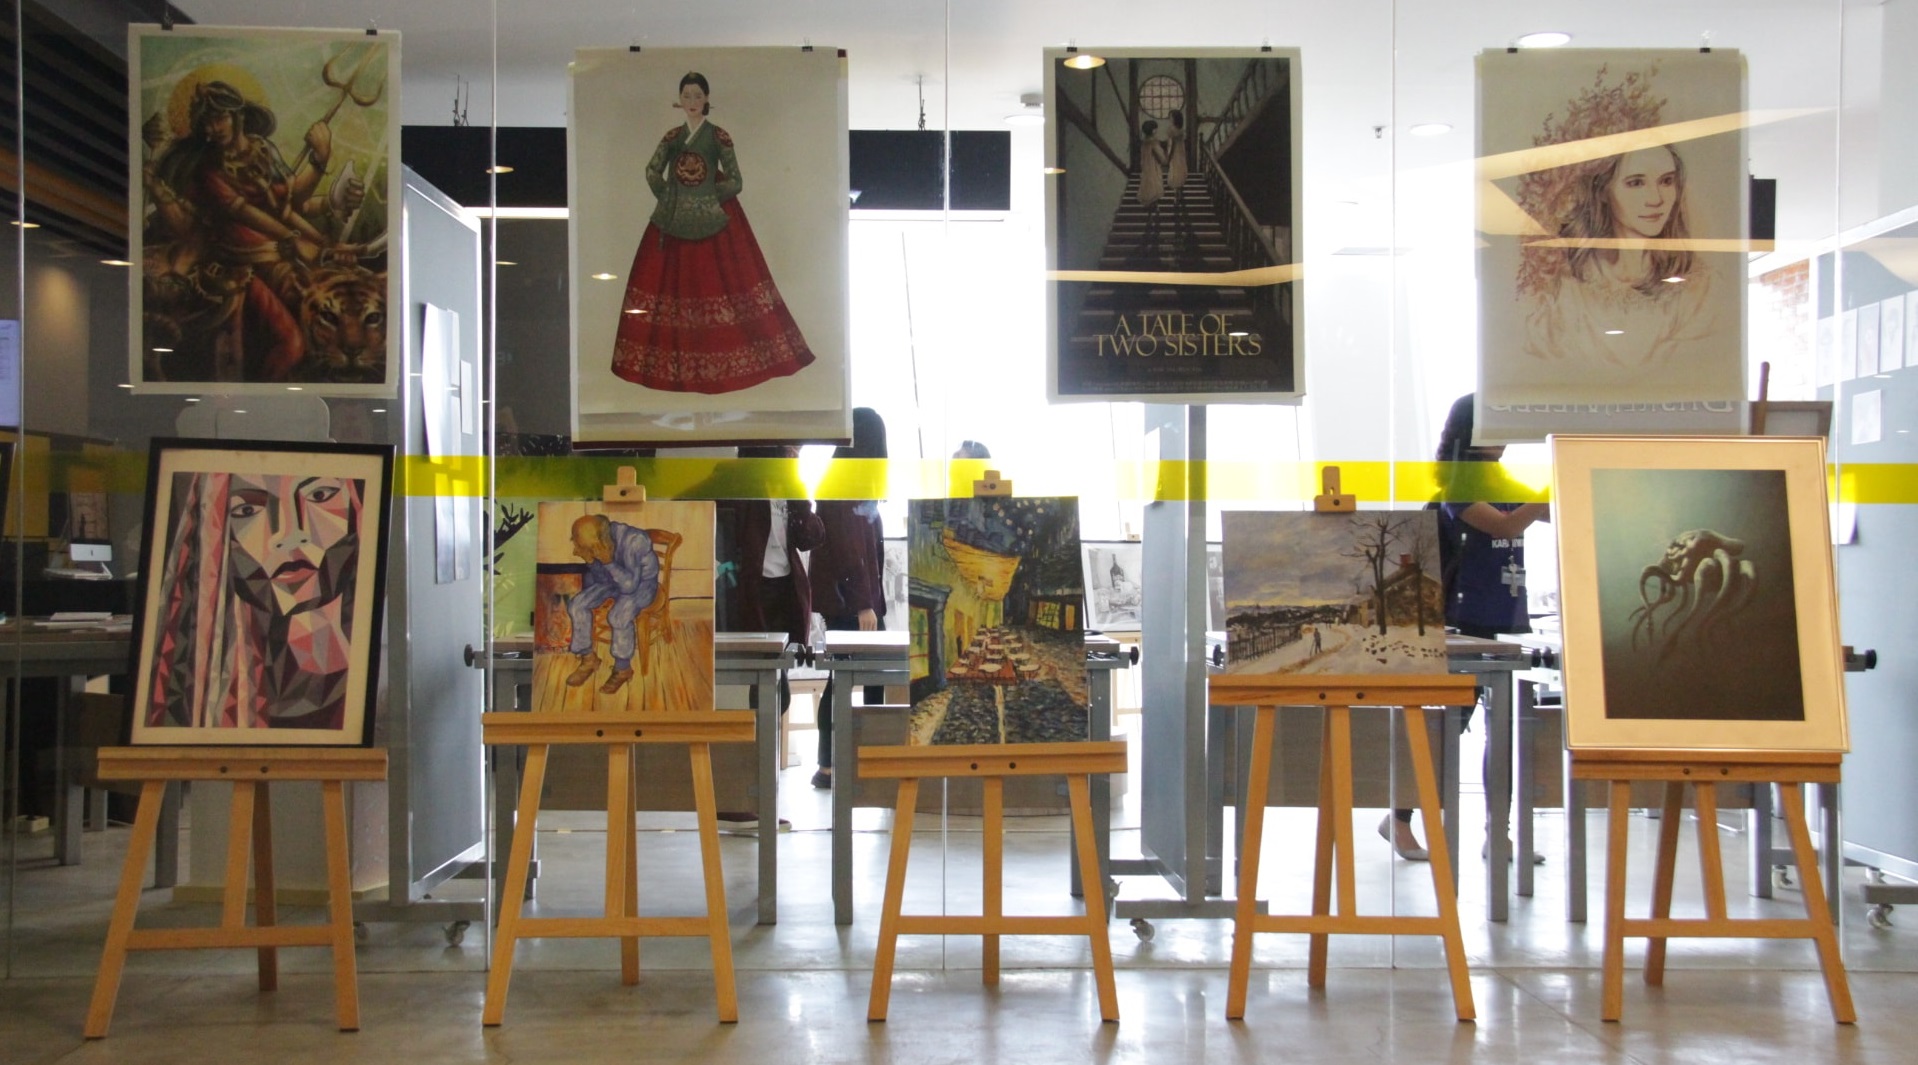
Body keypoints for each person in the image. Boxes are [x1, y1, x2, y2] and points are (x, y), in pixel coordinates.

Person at [1380, 394, 1551, 861]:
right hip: (1457, 625)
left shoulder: (1499, 481)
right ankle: (1399, 816)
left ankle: (1499, 832)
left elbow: (1543, 512)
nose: (1504, 439)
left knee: (1503, 732)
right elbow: (1504, 526)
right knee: (1446, 730)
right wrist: (1543, 494)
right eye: (1495, 427)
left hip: (1498, 622)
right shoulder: (1456, 485)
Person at [144, 77, 366, 382]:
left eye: (219, 117)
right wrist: (295, 241)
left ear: (238, 114)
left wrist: (319, 161)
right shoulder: (208, 169)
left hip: (277, 254)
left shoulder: (263, 150)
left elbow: (287, 206)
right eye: (207, 122)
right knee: (291, 343)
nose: (213, 128)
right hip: (239, 263)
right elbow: (248, 214)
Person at [613, 72, 816, 394]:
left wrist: (708, 195)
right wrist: (670, 196)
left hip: (715, 219)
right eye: (686, 96)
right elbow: (652, 170)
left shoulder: (718, 136)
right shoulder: (672, 137)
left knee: (725, 281)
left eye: (697, 96)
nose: (692, 102)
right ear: (680, 100)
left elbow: (736, 181)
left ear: (706, 98)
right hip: (673, 219)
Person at [145, 471, 368, 732]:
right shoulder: (198, 690)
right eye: (248, 510)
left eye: (319, 495)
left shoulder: (380, 678)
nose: (287, 534)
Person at [1520, 141, 1716, 371]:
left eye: (1666, 181)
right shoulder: (1564, 290)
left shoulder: (1700, 287)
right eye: (1636, 183)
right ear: (1603, 190)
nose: (1656, 199)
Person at [809, 407, 888, 789]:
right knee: (858, 678)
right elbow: (851, 549)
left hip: (849, 599)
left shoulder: (843, 480)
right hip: (853, 602)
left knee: (844, 678)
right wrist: (863, 604)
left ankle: (839, 763)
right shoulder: (848, 485)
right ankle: (859, 762)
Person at [563, 513, 662, 696]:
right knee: (577, 605)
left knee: (618, 616)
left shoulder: (635, 540)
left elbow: (629, 587)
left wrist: (608, 562)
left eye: (589, 548)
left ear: (601, 540)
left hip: (642, 585)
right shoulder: (600, 541)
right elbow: (601, 579)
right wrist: (591, 561)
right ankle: (588, 658)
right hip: (612, 579)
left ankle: (623, 668)